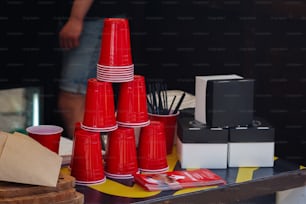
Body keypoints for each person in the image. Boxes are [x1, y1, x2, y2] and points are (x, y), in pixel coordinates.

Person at [57, 0, 128, 138]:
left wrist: (76, 18)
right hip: (84, 20)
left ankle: (88, 156)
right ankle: (92, 155)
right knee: (89, 97)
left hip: (92, 21)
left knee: (72, 98)